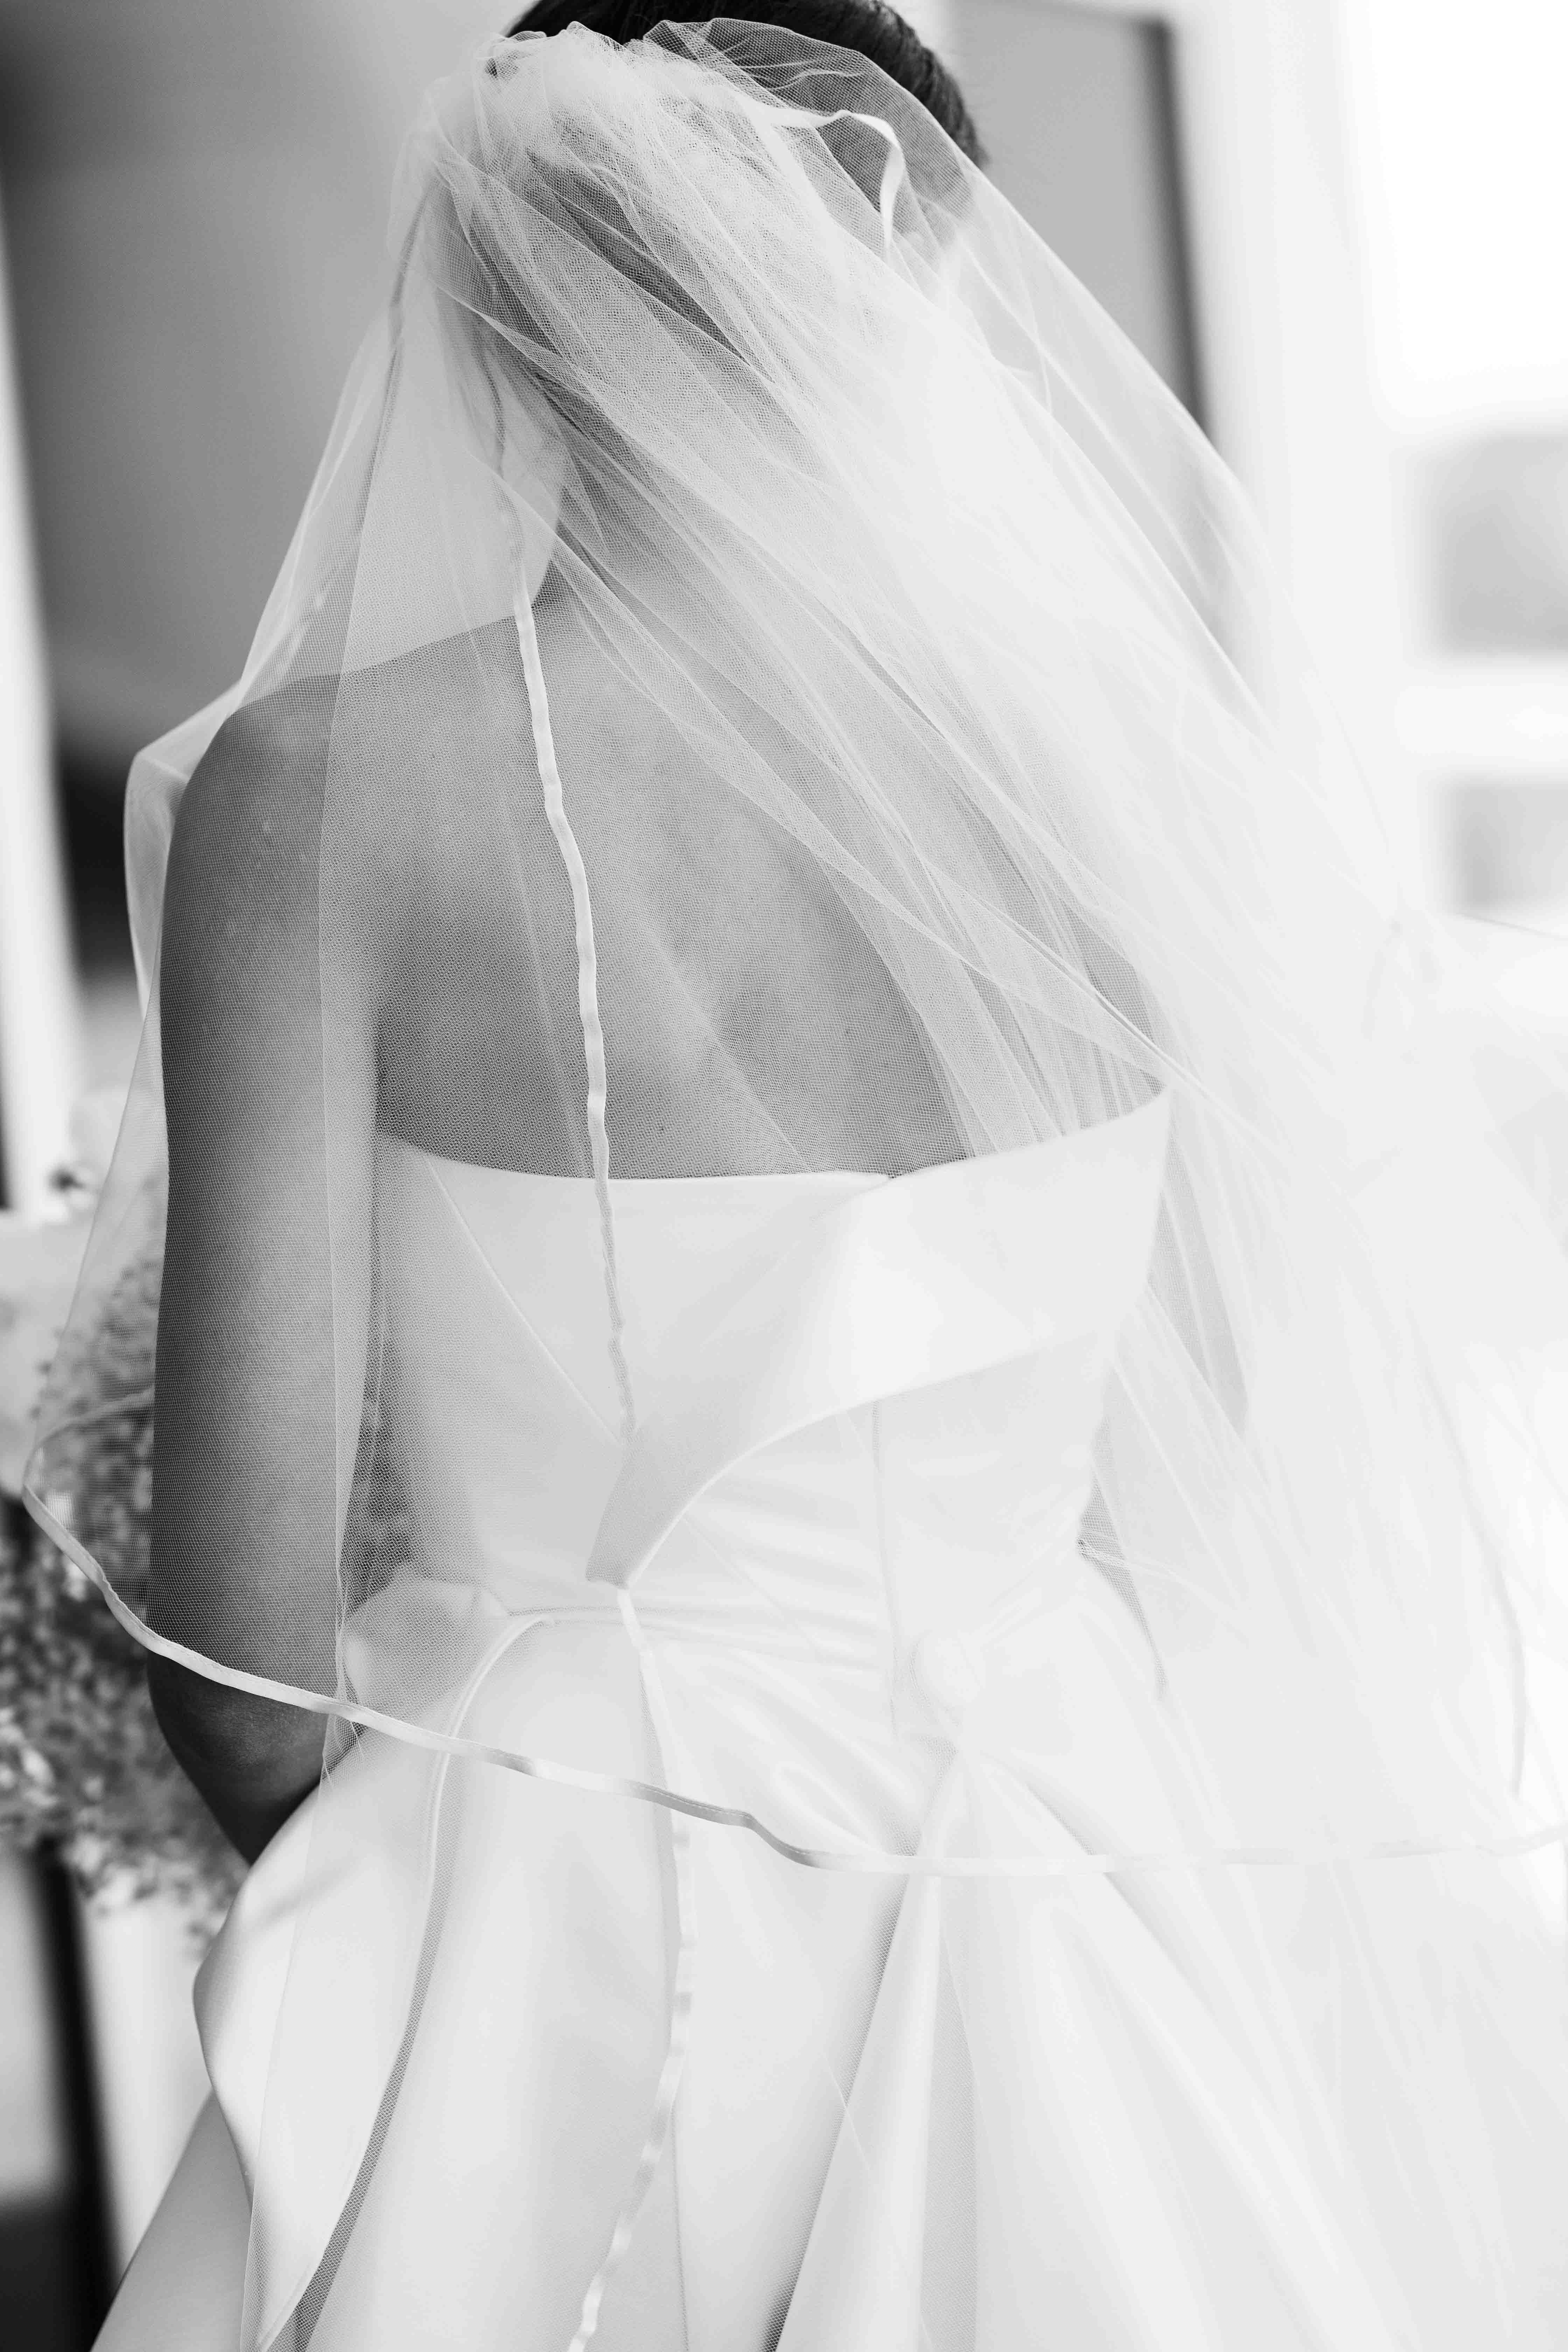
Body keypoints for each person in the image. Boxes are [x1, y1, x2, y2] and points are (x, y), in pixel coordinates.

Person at [26, 8, 1568, 2345]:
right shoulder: (1118, 799)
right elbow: (1212, 1470)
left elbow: (237, 1662)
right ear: (908, 288)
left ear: (502, 300)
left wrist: (468, 1932)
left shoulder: (325, 805)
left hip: (539, 1959)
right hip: (1077, 1896)